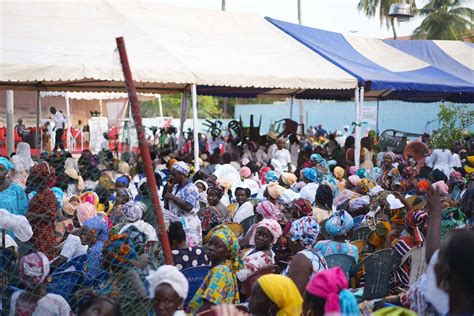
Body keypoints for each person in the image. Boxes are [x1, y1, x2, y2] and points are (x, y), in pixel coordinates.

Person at [188, 225, 241, 313]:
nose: (210, 248)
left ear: (227, 252)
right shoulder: (226, 269)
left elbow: (208, 308)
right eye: (210, 243)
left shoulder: (220, 272)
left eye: (217, 246)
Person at [98, 234, 149, 316]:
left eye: (106, 259)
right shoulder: (114, 275)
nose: (103, 261)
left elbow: (142, 295)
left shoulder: (130, 273)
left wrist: (123, 301)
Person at [286, 216, 328, 294]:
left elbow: (295, 294)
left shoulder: (300, 260)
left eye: (291, 235)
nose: (288, 237)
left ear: (295, 240)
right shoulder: (316, 254)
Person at [164, 161, 202, 246]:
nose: (172, 177)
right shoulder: (174, 187)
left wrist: (172, 197)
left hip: (188, 225)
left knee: (190, 250)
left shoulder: (191, 188)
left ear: (182, 174)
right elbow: (167, 207)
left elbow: (189, 207)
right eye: (171, 174)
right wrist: (169, 190)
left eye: (174, 174)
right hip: (176, 226)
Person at [27, 162, 59, 259]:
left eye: (32, 175)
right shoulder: (39, 192)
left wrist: (33, 216)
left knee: (42, 261)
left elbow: (51, 216)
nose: (30, 177)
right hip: (37, 232)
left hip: (44, 234)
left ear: (38, 177)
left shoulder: (48, 194)